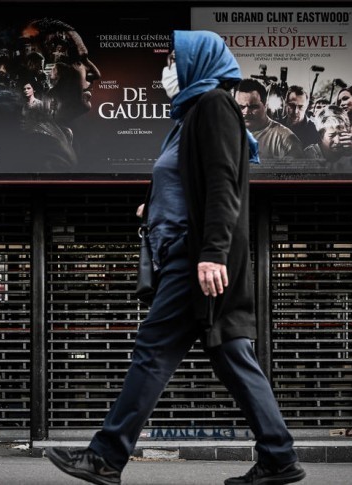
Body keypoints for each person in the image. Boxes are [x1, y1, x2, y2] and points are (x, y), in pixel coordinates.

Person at [45, 30, 305, 485]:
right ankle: (279, 458)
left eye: (172, 61)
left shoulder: (214, 107)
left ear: (197, 63)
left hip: (196, 258)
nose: (167, 71)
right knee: (231, 354)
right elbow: (192, 179)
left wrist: (211, 254)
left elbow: (223, 183)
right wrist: (157, 203)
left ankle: (105, 457)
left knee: (152, 353)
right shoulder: (191, 115)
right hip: (192, 252)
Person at [0, 17, 101, 171]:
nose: (95, 73)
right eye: (78, 60)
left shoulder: (61, 133)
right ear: (48, 74)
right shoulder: (46, 148)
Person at [234, 78, 304, 163]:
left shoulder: (286, 140)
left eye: (253, 107)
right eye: (241, 107)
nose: (246, 112)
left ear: (265, 106)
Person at [281, 85, 319, 150]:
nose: (296, 111)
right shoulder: (276, 126)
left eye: (301, 107)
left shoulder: (314, 130)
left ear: (307, 106)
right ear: (286, 104)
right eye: (292, 106)